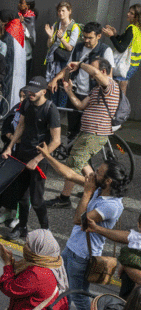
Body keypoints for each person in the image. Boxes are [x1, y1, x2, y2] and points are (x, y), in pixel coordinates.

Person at [36, 145, 128, 310]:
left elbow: (79, 220)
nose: (94, 174)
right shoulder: (99, 189)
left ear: (108, 181)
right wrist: (47, 156)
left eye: (99, 172)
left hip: (82, 255)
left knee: (78, 296)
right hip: (72, 248)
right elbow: (69, 175)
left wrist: (86, 192)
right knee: (63, 286)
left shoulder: (111, 206)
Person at [46, 58, 119, 208]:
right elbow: (80, 105)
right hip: (88, 133)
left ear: (103, 72)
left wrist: (79, 65)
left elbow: (94, 72)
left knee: (73, 164)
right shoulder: (97, 89)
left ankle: (65, 198)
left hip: (94, 133)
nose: (90, 73)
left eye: (93, 69)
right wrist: (69, 91)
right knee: (81, 162)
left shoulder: (109, 85)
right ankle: (97, 190)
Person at [0, 76, 61, 240]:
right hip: (22, 154)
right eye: (27, 90)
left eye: (33, 91)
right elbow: (21, 125)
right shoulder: (26, 103)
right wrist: (10, 147)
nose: (29, 93)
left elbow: (56, 141)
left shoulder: (50, 109)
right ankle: (22, 227)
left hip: (39, 159)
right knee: (22, 197)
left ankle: (46, 231)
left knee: (37, 200)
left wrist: (37, 159)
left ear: (43, 92)